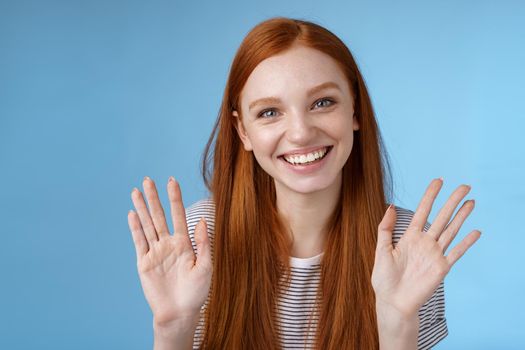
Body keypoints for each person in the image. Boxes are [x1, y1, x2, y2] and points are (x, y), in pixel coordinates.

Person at [127, 17, 481, 350]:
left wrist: (398, 321)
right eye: (269, 112)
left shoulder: (408, 245)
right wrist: (173, 326)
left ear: (354, 112)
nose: (300, 133)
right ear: (243, 132)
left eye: (322, 102)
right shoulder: (200, 238)